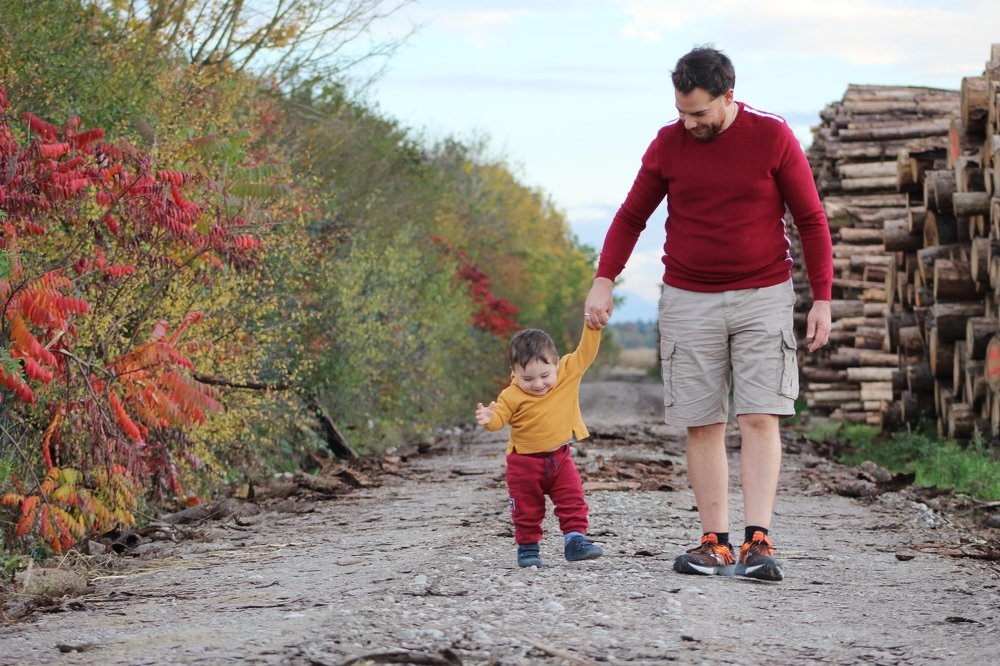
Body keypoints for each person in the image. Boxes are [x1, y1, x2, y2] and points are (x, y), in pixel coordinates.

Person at [583, 46, 833, 582]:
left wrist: (823, 299)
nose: (688, 122)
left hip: (764, 294)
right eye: (680, 111)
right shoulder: (668, 145)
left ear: (728, 96)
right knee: (702, 421)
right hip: (687, 299)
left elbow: (811, 220)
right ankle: (714, 544)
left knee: (761, 414)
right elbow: (630, 217)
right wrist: (604, 280)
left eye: (699, 113)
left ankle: (757, 542)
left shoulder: (772, 136)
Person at [476, 324, 604, 568]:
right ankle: (527, 548)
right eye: (528, 378)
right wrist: (488, 418)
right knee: (526, 510)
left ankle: (575, 541)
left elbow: (586, 351)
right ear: (514, 372)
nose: (538, 384)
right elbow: (499, 419)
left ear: (556, 363)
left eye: (545, 376)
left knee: (573, 499)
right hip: (524, 464)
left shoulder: (568, 372)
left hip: (560, 458)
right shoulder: (511, 395)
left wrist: (592, 326)